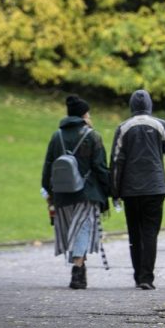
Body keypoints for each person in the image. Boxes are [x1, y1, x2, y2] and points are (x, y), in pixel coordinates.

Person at [110, 90, 165, 290]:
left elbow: (116, 162)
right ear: (150, 105)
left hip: (130, 190)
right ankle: (146, 277)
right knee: (150, 233)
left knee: (135, 233)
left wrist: (114, 192)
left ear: (131, 106)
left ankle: (137, 274)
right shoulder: (160, 125)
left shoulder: (123, 128)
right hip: (155, 188)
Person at [42, 95, 110, 289]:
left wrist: (48, 191)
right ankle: (78, 271)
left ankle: (80, 265)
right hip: (86, 194)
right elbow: (100, 167)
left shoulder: (57, 136)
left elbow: (48, 165)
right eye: (88, 113)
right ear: (84, 115)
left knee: (73, 230)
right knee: (82, 229)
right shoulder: (92, 136)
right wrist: (109, 189)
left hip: (62, 194)